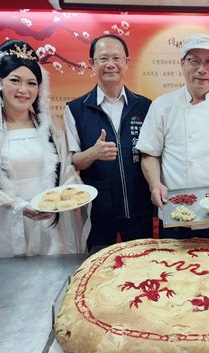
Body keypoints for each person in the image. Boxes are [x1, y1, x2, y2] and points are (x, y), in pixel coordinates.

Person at [0, 39, 89, 258]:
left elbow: (66, 171)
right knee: (13, 285)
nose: (24, 90)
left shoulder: (51, 127)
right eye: (15, 80)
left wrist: (71, 194)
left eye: (32, 83)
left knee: (56, 283)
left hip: (52, 222)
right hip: (8, 221)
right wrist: (19, 206)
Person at [136, 33, 209, 240]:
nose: (202, 69)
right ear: (182, 64)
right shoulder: (162, 106)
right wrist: (155, 184)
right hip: (176, 211)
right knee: (174, 271)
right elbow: (149, 154)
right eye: (194, 61)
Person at [65, 34, 154, 251]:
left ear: (126, 62)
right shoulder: (76, 109)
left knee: (143, 268)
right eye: (103, 59)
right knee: (98, 269)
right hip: (98, 212)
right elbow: (73, 161)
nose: (110, 64)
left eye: (116, 58)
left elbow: (154, 154)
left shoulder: (145, 107)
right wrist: (93, 153)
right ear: (91, 64)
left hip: (139, 209)